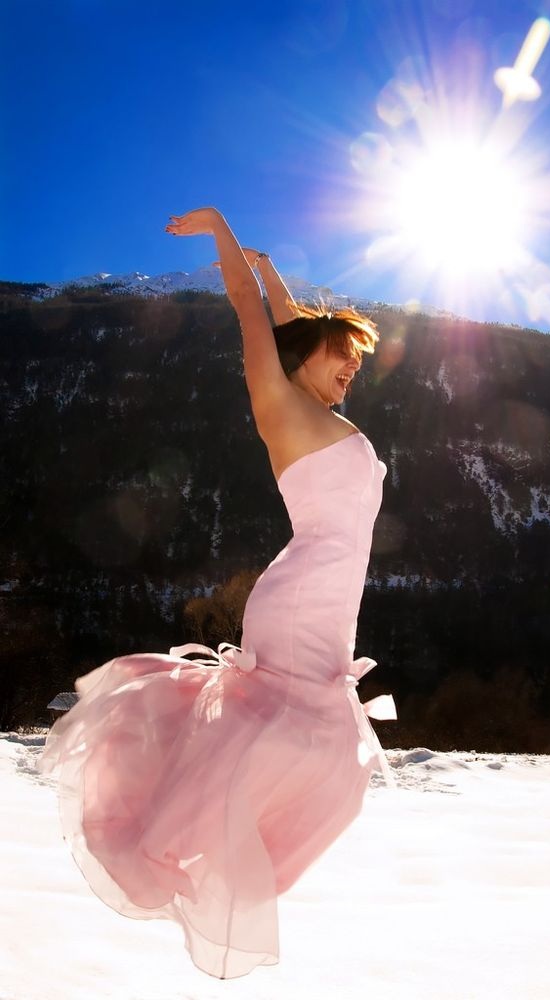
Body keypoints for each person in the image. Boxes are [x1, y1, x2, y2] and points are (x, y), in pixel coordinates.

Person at [37, 205, 396, 980]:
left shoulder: (317, 406)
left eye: (355, 361)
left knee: (332, 767)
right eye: (341, 357)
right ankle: (186, 843)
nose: (350, 369)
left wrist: (271, 271)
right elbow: (252, 315)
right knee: (300, 745)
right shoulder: (279, 403)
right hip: (300, 601)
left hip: (329, 606)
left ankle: (214, 845)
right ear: (303, 361)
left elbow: (293, 324)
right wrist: (223, 233)